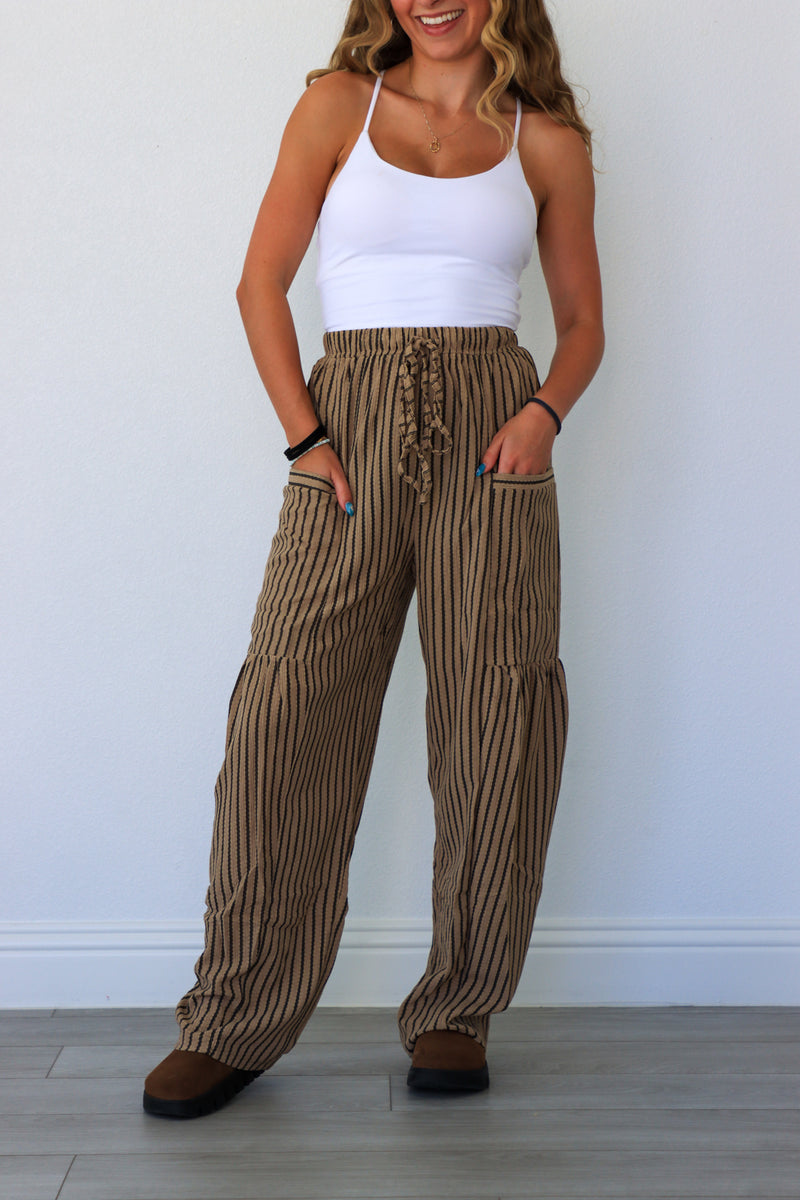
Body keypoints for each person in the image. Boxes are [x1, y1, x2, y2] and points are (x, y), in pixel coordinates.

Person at [143, 0, 603, 1118]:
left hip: (494, 426)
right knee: (285, 710)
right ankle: (237, 1013)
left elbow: (585, 319)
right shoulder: (334, 106)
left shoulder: (543, 139)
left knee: (497, 710)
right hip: (345, 424)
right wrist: (305, 437)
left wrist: (541, 412)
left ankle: (456, 1006)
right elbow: (261, 283)